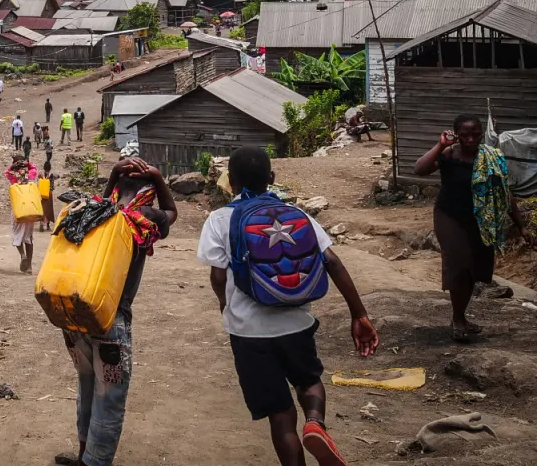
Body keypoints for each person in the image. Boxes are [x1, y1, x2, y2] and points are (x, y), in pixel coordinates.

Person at [197, 147, 379, 466]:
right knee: (308, 381)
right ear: (272, 178)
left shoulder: (219, 220)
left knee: (279, 415)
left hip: (248, 331)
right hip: (296, 323)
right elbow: (332, 262)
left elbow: (217, 275)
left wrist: (226, 306)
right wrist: (359, 314)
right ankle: (315, 423)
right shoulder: (297, 215)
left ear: (232, 182)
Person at [56, 156, 176, 466]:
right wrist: (159, 178)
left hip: (73, 317)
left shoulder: (89, 210)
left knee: (86, 385)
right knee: (108, 397)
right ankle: (94, 462)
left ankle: (83, 453)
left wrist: (112, 176)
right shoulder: (142, 217)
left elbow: (104, 198)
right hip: (111, 322)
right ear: (145, 190)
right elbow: (171, 213)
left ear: (116, 186)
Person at [413, 114, 526, 342]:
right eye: (465, 135)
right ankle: (457, 319)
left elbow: (505, 194)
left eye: (476, 134)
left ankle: (460, 316)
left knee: (474, 269)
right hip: (449, 216)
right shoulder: (448, 154)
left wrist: (521, 227)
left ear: (482, 133)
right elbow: (420, 169)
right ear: (457, 134)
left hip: (481, 221)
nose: (471, 139)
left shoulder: (491, 157)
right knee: (460, 263)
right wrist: (440, 144)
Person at [5, 155, 39, 272]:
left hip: (17, 210)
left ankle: (22, 255)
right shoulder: (31, 175)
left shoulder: (13, 176)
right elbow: (34, 167)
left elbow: (7, 172)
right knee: (29, 237)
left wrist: (13, 166)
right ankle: (29, 266)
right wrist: (27, 163)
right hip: (31, 210)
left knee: (17, 234)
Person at [38, 161, 58, 232]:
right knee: (49, 210)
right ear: (50, 168)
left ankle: (41, 223)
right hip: (49, 194)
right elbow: (57, 176)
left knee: (42, 209)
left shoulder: (41, 174)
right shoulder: (51, 175)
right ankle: (48, 225)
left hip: (42, 194)